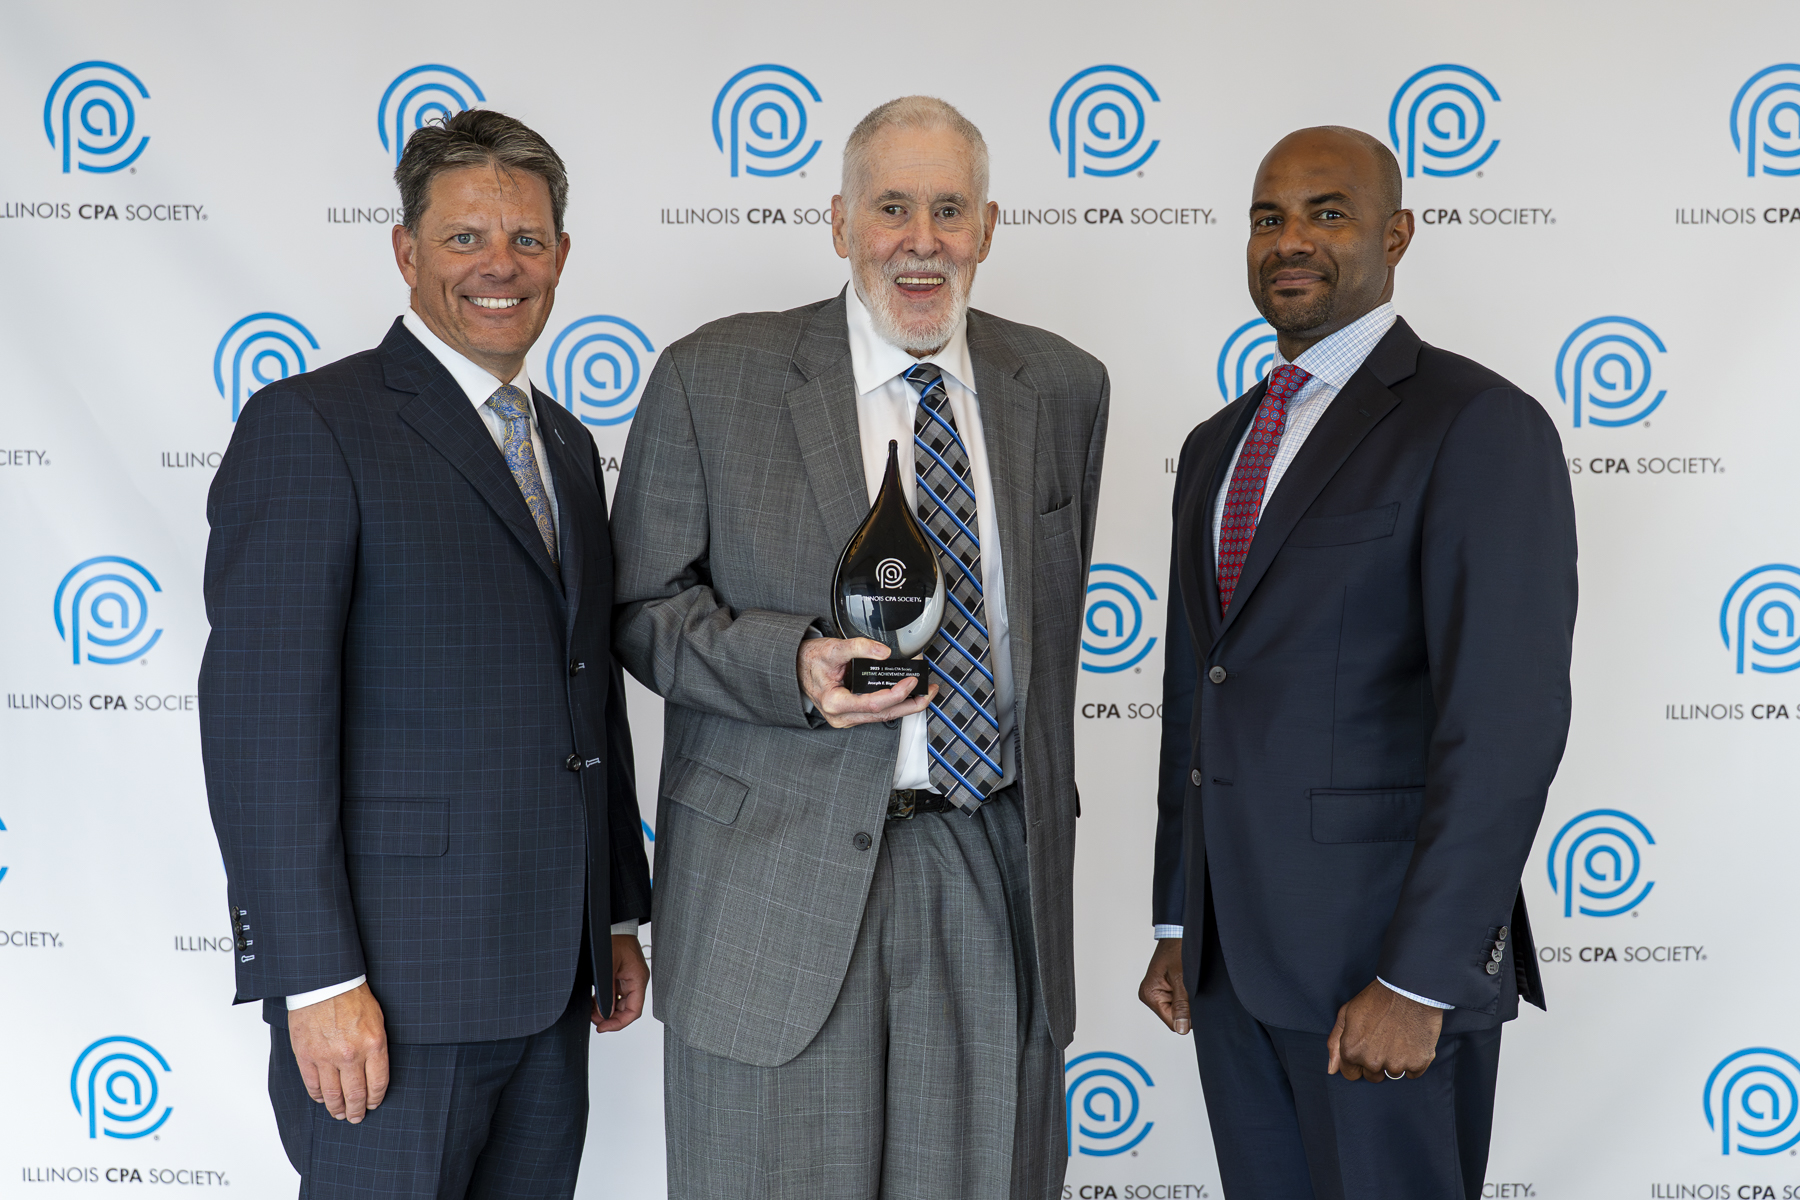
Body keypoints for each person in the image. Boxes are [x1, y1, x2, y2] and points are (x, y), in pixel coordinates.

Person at [611, 96, 1109, 1199]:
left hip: (988, 866)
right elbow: (640, 607)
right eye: (892, 207)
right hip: (769, 884)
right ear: (839, 223)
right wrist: (788, 667)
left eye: (948, 209)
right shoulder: (713, 377)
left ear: (988, 226)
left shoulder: (1064, 387)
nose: (920, 239)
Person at [198, 109, 651, 1199]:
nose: (501, 266)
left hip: (553, 980)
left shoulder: (568, 446)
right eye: (465, 239)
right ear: (406, 251)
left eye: (528, 241)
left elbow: (586, 696)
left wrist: (619, 912)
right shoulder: (314, 426)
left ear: (561, 256)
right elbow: (262, 731)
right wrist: (316, 981)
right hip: (390, 998)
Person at [1136, 126, 1577, 1200]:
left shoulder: (1476, 424)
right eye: (1267, 217)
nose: (1291, 240)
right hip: (1234, 971)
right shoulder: (1214, 445)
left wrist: (1419, 979)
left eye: (1327, 212)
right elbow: (1203, 693)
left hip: (1378, 977)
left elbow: (1504, 725)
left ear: (1397, 234)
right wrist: (1177, 919)